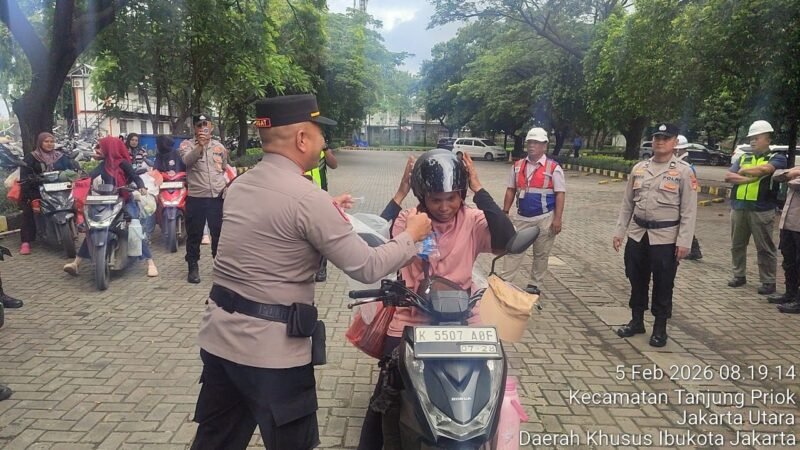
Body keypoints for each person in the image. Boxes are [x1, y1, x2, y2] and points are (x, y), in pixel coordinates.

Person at [190, 94, 432, 450]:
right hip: (272, 356)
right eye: (320, 133)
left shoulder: (240, 185)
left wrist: (325, 209)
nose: (323, 142)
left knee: (216, 442)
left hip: (220, 342)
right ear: (302, 138)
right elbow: (367, 266)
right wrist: (412, 236)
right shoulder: (307, 199)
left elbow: (271, 224)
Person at [357, 149, 515, 450]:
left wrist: (479, 188)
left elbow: (507, 238)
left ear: (462, 194)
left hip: (464, 318)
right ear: (422, 196)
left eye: (452, 198)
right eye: (435, 199)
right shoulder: (410, 219)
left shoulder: (473, 219)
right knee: (388, 390)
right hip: (412, 317)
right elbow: (378, 242)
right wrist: (400, 194)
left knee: (490, 380)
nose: (444, 207)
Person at [613, 123, 697, 347]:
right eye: (657, 137)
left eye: (665, 138)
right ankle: (636, 320)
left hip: (666, 237)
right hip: (638, 234)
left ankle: (660, 328)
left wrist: (684, 242)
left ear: (675, 142)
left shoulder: (684, 172)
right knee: (636, 278)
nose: (660, 142)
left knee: (663, 283)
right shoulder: (640, 168)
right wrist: (620, 231)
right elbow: (627, 203)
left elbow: (689, 211)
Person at [63, 137, 158, 277]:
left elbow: (135, 176)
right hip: (107, 200)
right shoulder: (104, 164)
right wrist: (78, 182)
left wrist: (141, 187)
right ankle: (76, 263)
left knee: (133, 228)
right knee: (94, 227)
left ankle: (150, 263)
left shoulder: (123, 163)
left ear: (110, 148)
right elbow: (91, 176)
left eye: (102, 147)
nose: (99, 150)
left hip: (125, 200)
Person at [500, 127, 566, 295]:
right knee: (514, 250)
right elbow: (510, 189)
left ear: (544, 146)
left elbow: (560, 194)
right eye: (530, 142)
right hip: (522, 217)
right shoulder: (517, 166)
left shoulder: (554, 168)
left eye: (536, 143)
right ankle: (504, 281)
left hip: (545, 218)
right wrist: (505, 212)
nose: (531, 146)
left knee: (541, 254)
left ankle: (534, 284)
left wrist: (557, 219)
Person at [724, 120, 786, 295]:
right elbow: (728, 176)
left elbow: (765, 170)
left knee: (764, 247)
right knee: (737, 245)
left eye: (757, 138)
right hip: (739, 207)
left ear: (768, 139)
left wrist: (743, 171)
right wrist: (749, 178)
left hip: (762, 208)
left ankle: (768, 281)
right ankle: (739, 275)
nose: (752, 141)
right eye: (751, 138)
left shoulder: (777, 157)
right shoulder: (744, 157)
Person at [180, 114, 229, 283]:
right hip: (197, 197)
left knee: (219, 234)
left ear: (211, 127)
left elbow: (223, 167)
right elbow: (187, 161)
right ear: (194, 128)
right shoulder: (187, 145)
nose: (202, 128)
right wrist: (199, 146)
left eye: (205, 124)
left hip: (217, 197)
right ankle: (193, 267)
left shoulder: (219, 147)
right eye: (199, 125)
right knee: (194, 235)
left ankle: (220, 266)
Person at [17, 132, 79, 255]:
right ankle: (25, 242)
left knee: (73, 205)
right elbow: (24, 175)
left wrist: (72, 174)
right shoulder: (32, 157)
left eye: (52, 141)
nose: (49, 144)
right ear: (40, 143)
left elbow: (70, 169)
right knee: (29, 211)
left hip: (60, 189)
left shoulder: (61, 156)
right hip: (37, 190)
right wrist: (31, 185)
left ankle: (76, 226)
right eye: (46, 141)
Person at [767, 167, 800, 313]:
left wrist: (790, 175)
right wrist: (792, 173)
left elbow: (795, 184)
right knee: (789, 261)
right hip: (788, 224)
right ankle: (790, 294)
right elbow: (776, 175)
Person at [305, 144, 339, 282]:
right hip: (302, 195)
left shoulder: (322, 151)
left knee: (321, 232)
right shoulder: (299, 151)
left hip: (321, 195)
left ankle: (321, 268)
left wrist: (325, 149)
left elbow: (334, 164)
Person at [675, 135, 703, 260]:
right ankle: (695, 250)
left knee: (684, 222)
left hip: (683, 195)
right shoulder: (684, 159)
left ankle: (694, 250)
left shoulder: (685, 162)